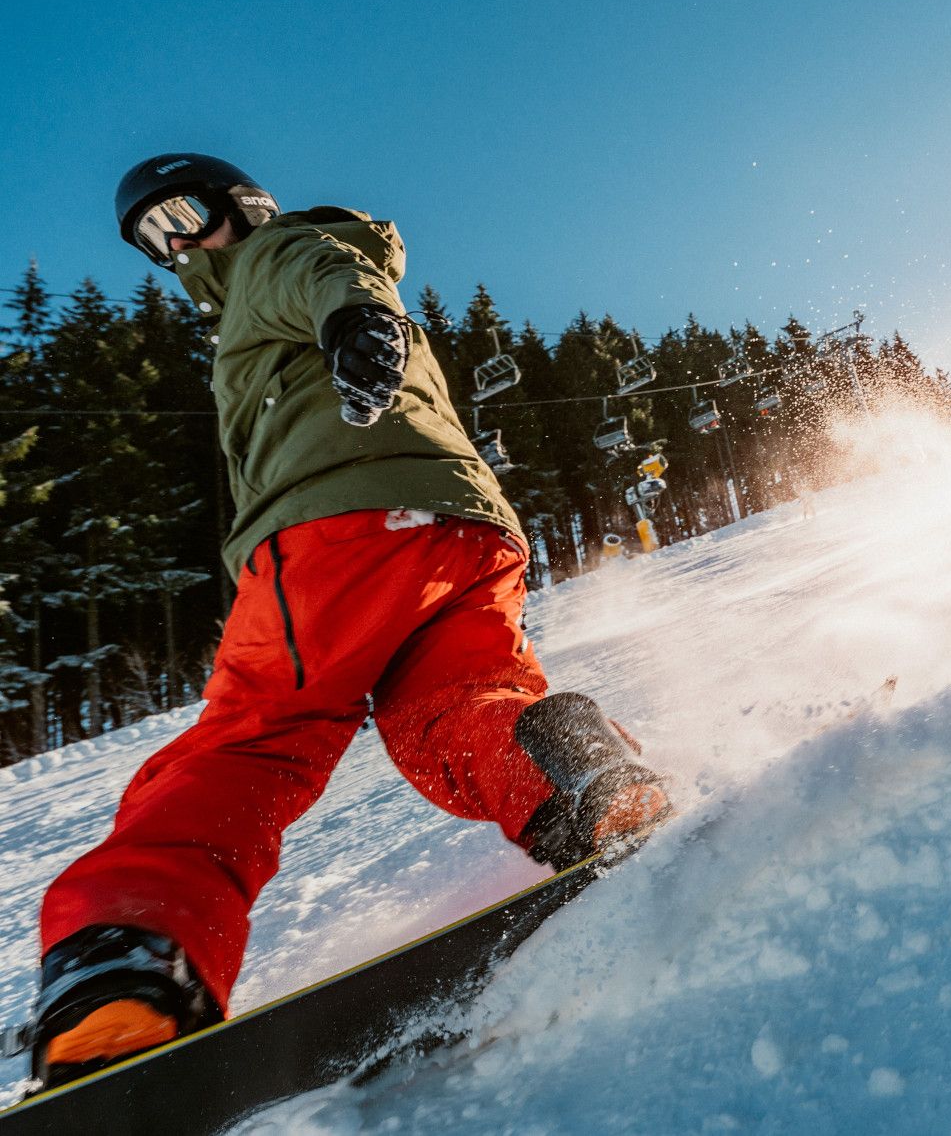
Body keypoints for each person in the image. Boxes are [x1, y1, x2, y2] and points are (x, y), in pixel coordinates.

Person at [30, 154, 670, 1088]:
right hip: (457, 528)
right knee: (452, 713)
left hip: (335, 532)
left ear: (240, 205)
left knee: (254, 743)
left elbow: (328, 274)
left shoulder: (278, 252)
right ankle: (582, 775)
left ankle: (126, 965)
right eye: (154, 240)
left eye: (181, 216)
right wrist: (356, 320)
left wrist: (358, 318)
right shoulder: (298, 270)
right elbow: (343, 278)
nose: (177, 248)